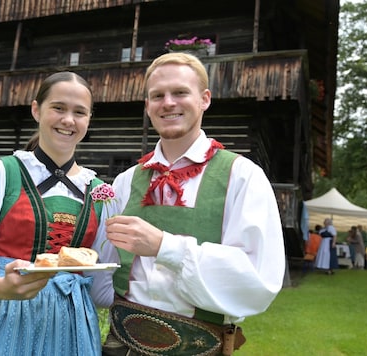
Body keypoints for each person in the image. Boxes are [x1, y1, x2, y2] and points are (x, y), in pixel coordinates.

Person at [95, 52, 286, 356]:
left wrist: (164, 247)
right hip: (121, 346)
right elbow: (103, 267)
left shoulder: (243, 176)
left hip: (198, 347)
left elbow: (258, 279)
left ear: (204, 99)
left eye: (180, 92)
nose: (168, 103)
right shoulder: (126, 181)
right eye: (157, 95)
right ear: (148, 106)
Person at [0, 71, 116, 355]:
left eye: (79, 112)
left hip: (71, 332)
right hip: (0, 321)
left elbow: (103, 290)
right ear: (36, 110)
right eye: (58, 108)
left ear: (88, 119)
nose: (68, 120)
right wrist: (4, 288)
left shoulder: (100, 191)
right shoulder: (0, 173)